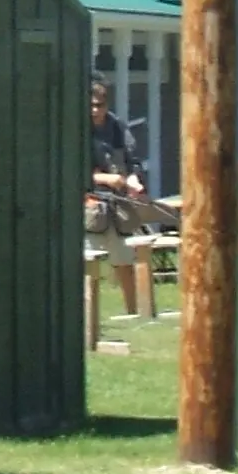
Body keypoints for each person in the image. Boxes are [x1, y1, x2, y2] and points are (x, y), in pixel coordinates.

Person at [87, 78, 147, 316]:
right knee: (89, 264)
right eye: (91, 105)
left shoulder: (118, 127)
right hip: (91, 205)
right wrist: (104, 179)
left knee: (125, 260)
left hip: (120, 205)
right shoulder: (78, 129)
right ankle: (88, 319)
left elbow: (133, 161)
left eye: (100, 105)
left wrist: (134, 179)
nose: (95, 110)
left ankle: (133, 313)